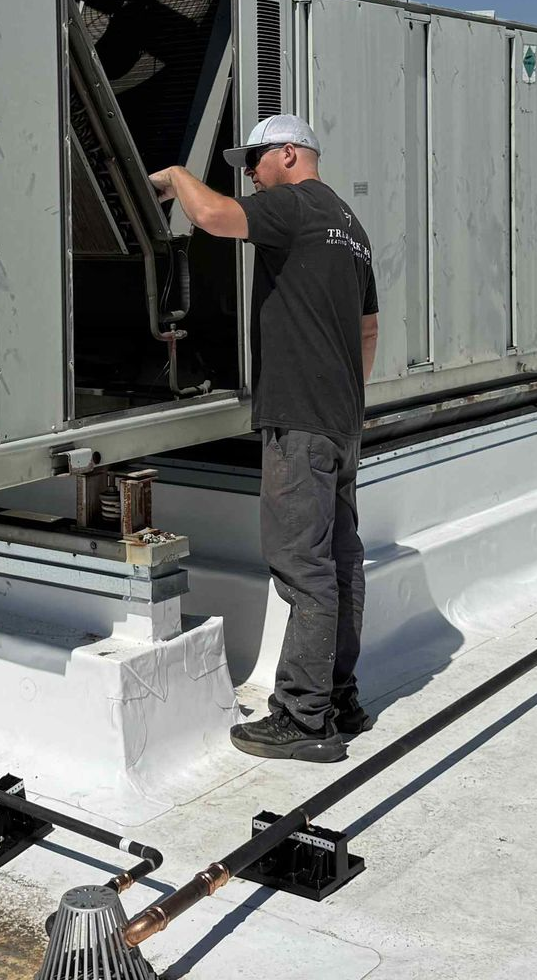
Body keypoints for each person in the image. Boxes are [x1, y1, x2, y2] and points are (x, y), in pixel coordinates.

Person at [149, 115, 378, 762]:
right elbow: (368, 330)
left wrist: (176, 177)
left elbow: (217, 218)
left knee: (302, 567)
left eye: (254, 158)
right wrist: (342, 398)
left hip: (301, 421)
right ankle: (340, 698)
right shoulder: (350, 227)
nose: (248, 171)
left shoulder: (294, 203)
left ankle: (304, 722)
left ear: (289, 154)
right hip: (340, 420)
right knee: (339, 562)